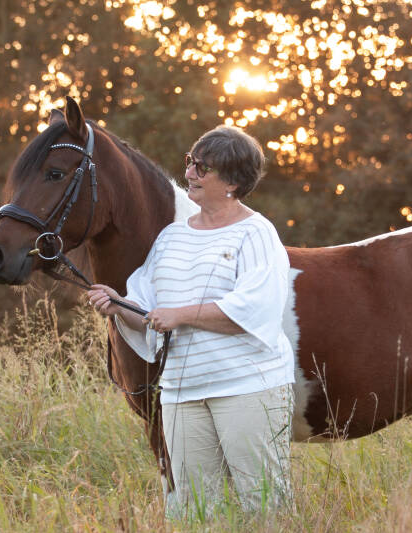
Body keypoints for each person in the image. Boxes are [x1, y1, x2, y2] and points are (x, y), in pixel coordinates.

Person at [87, 125, 294, 518]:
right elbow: (147, 306)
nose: (189, 174)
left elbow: (254, 309)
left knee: (263, 504)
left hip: (247, 389)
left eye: (203, 167)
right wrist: (118, 305)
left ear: (232, 182)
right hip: (181, 393)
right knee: (193, 509)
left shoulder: (256, 234)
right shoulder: (172, 237)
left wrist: (179, 315)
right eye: (190, 162)